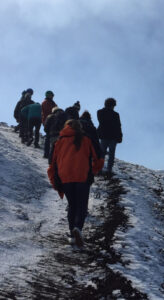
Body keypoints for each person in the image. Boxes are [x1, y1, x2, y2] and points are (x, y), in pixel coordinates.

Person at [47, 119, 104, 247]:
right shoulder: (87, 139)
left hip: (65, 178)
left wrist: (54, 181)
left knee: (72, 205)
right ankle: (78, 228)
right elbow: (99, 159)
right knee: (81, 205)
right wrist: (93, 171)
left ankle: (72, 236)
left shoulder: (58, 141)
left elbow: (52, 164)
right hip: (82, 176)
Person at [97, 98, 123, 174]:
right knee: (111, 153)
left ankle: (100, 169)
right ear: (112, 105)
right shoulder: (115, 114)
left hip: (104, 136)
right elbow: (118, 126)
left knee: (102, 153)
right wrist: (120, 136)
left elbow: (102, 122)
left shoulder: (100, 112)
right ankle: (109, 169)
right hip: (113, 137)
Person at [42, 91, 57, 157]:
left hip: (48, 121)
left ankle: (48, 154)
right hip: (49, 121)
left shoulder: (49, 102)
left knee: (49, 137)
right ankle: (47, 154)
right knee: (49, 138)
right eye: (52, 95)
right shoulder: (47, 103)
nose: (52, 96)